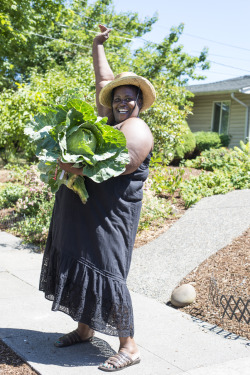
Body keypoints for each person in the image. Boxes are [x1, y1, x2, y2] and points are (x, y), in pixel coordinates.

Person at [39, 24, 156, 372]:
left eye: (128, 97)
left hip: (110, 215)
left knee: (107, 271)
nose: (121, 101)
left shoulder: (136, 129)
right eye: (118, 98)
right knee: (79, 260)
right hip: (84, 211)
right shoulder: (109, 120)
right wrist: (96, 45)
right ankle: (85, 328)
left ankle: (129, 346)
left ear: (139, 103)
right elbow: (103, 81)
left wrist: (73, 169)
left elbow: (118, 166)